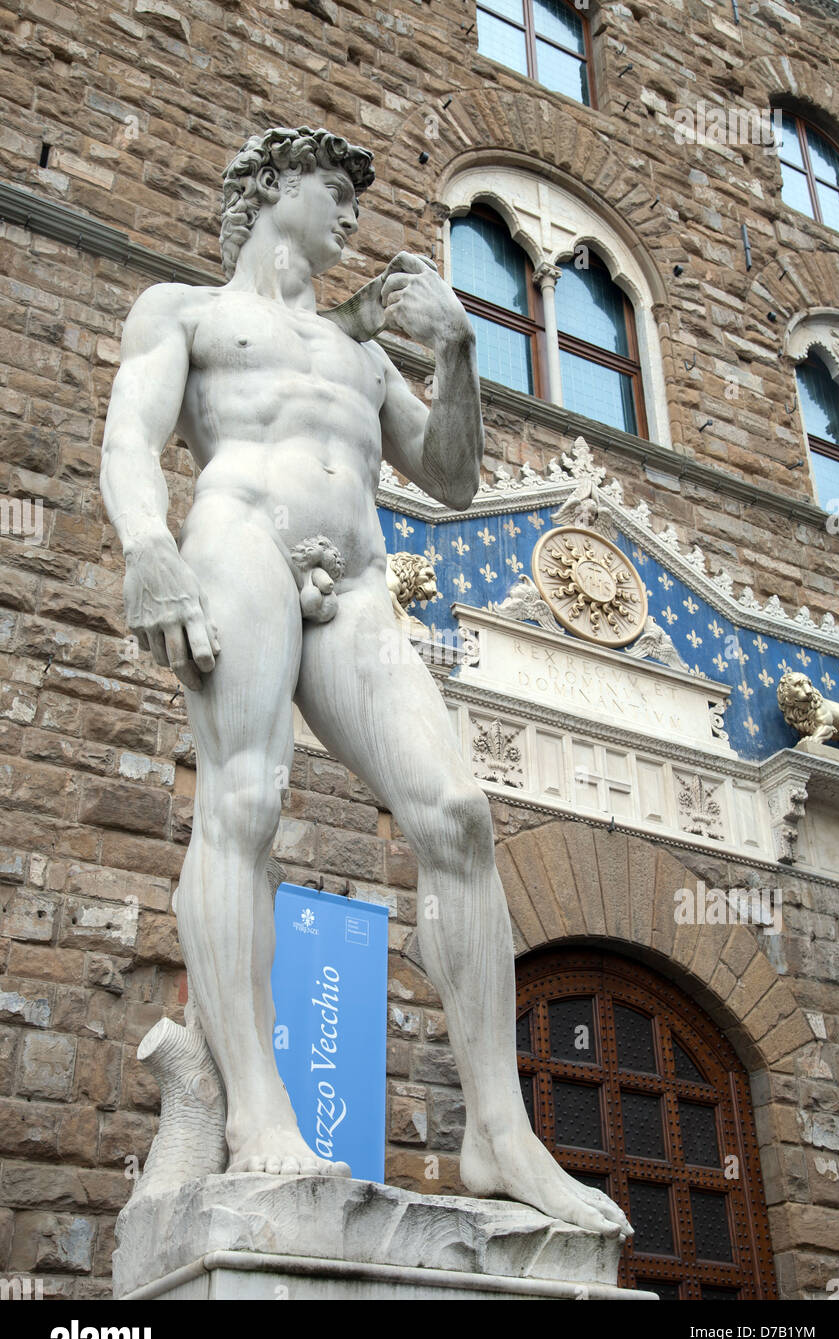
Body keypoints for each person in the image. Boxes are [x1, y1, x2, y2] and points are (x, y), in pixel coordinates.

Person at [101, 126, 630, 1238]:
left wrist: (459, 354)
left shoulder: (358, 351)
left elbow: (442, 468)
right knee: (244, 801)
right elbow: (131, 435)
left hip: (356, 578)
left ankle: (496, 1130)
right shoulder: (185, 311)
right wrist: (147, 546)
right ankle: (256, 1108)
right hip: (237, 539)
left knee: (458, 815)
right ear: (272, 187)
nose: (350, 214)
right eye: (334, 189)